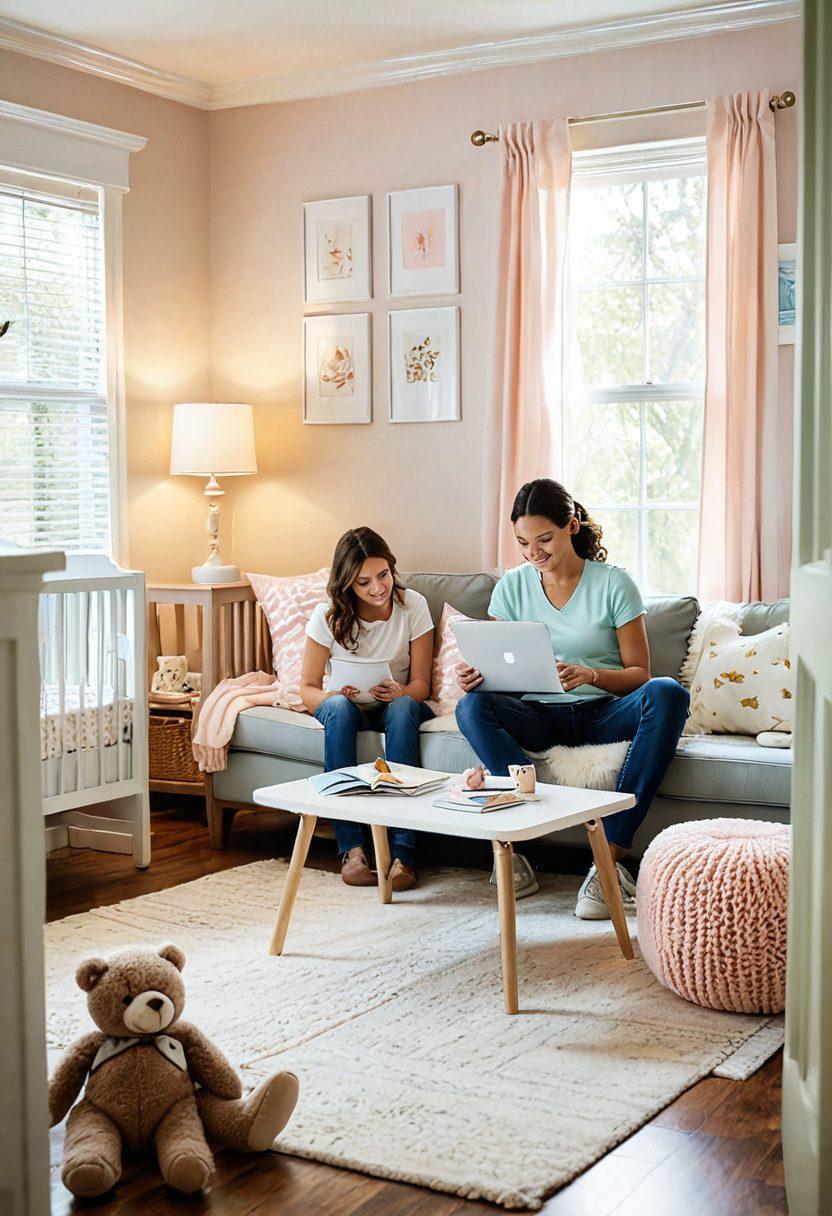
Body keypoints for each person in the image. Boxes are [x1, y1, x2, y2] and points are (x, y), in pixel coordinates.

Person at [454, 478, 689, 917]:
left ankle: (608, 861)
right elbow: (498, 668)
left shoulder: (614, 584)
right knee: (471, 706)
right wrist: (476, 675)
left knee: (668, 694)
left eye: (544, 539)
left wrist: (592, 675)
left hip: (604, 713)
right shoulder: (512, 587)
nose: (532, 552)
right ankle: (514, 845)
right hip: (539, 713)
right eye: (523, 542)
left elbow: (641, 675)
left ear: (572, 527)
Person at [300, 527, 434, 891]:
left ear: (392, 568)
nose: (378, 588)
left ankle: (403, 851)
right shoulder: (327, 616)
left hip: (394, 704)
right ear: (347, 584)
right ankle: (353, 850)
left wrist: (400, 690)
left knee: (407, 707)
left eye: (383, 575)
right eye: (363, 582)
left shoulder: (413, 607)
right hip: (346, 706)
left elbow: (422, 685)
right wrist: (333, 697)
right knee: (340, 710)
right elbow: (307, 688)